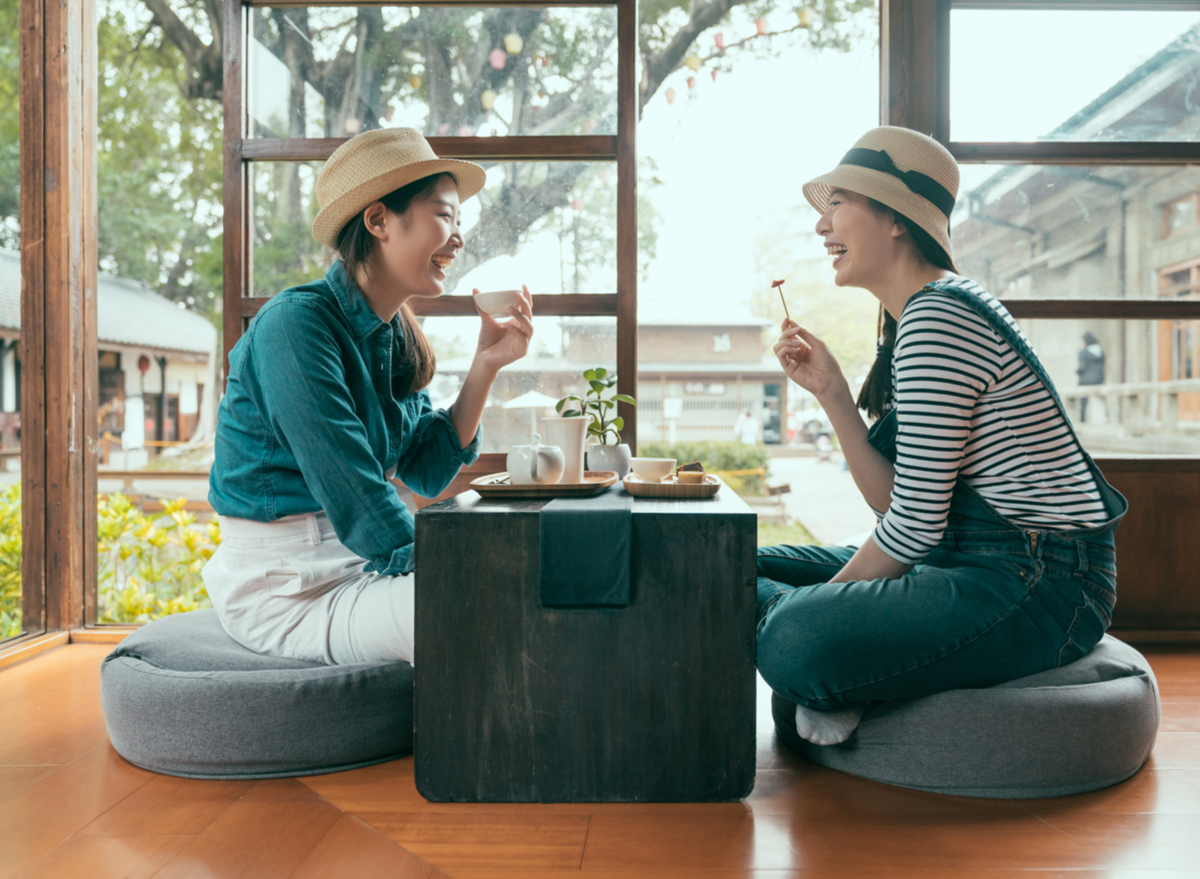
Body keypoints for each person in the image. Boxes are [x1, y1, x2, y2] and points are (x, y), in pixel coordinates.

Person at [756, 127, 1127, 747]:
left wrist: (815, 611)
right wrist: (834, 396)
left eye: (839, 203)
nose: (822, 225)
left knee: (794, 637)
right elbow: (895, 503)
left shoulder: (941, 315)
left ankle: (824, 669)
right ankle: (834, 676)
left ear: (896, 219)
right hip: (956, 560)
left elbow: (914, 530)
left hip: (1041, 583)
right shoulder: (917, 320)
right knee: (726, 565)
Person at [203, 128, 534, 665]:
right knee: (489, 601)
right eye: (445, 215)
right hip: (288, 588)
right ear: (378, 220)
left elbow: (426, 470)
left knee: (519, 582)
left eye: (459, 221)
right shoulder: (295, 326)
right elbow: (353, 490)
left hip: (361, 561)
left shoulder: (395, 336)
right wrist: (453, 556)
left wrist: (486, 365)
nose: (459, 237)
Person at [1076, 332, 1105, 422]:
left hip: (1085, 381)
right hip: (1099, 380)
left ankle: (1082, 422)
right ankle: (1106, 418)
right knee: (1101, 400)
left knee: (1083, 404)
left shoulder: (1083, 353)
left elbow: (1081, 368)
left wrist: (1077, 372)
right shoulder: (1101, 352)